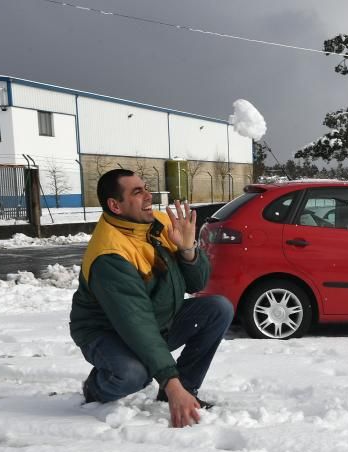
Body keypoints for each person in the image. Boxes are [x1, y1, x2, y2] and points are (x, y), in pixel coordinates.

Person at [70, 169, 234, 428]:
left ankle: (185, 392)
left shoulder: (159, 224)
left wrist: (188, 250)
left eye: (146, 188)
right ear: (115, 205)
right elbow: (137, 324)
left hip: (155, 319)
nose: (149, 195)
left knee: (217, 308)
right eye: (137, 192)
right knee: (134, 374)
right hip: (106, 331)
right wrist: (170, 381)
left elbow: (197, 284)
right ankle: (96, 389)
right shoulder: (110, 255)